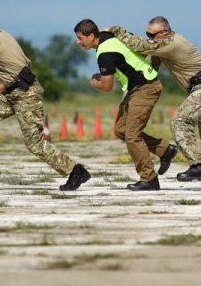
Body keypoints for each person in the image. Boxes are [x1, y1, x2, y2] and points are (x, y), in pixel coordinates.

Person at [0, 15, 90, 191]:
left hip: (26, 95)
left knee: (34, 143)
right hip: (12, 92)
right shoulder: (2, 35)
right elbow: (19, 67)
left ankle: (76, 170)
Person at [108, 16, 201, 182]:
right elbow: (150, 65)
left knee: (180, 122)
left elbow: (140, 46)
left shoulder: (171, 43)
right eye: (147, 34)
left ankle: (197, 166)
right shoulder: (162, 45)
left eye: (152, 35)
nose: (149, 38)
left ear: (164, 32)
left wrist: (116, 30)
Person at [74, 19, 176, 191]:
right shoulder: (108, 36)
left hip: (146, 88)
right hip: (135, 89)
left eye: (80, 38)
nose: (78, 42)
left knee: (132, 135)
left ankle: (149, 179)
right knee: (121, 129)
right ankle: (165, 150)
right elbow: (127, 35)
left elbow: (107, 86)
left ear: (91, 36)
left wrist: (93, 81)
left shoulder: (104, 54)